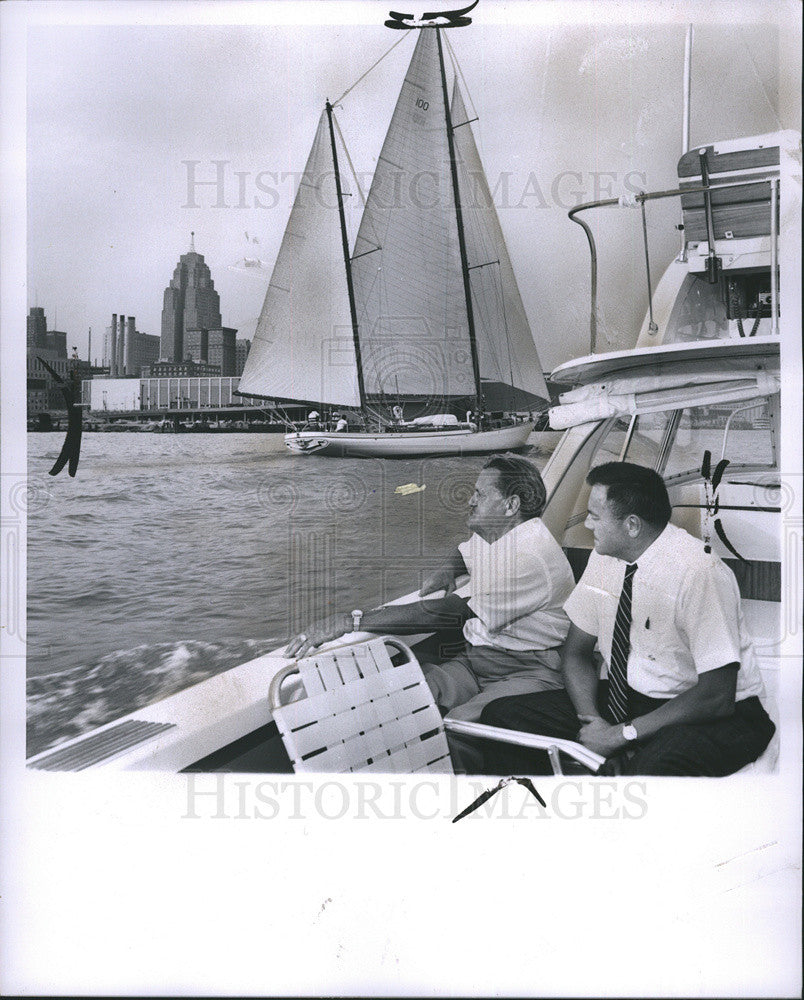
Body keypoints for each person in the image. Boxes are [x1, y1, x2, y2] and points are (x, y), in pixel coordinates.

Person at [479, 461, 776, 776]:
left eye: (595, 517)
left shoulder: (699, 572)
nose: (588, 526)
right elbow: (575, 653)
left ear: (632, 525)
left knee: (652, 769)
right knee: (502, 717)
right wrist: (593, 724)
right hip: (634, 701)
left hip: (714, 713)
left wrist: (622, 735)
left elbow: (716, 696)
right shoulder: (604, 559)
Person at [285, 454, 576, 767]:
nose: (471, 501)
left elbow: (444, 613)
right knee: (395, 700)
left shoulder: (529, 555)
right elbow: (463, 553)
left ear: (511, 505)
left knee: (459, 727)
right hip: (476, 662)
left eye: (480, 494)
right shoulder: (498, 534)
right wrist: (446, 569)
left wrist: (350, 620)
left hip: (531, 670)